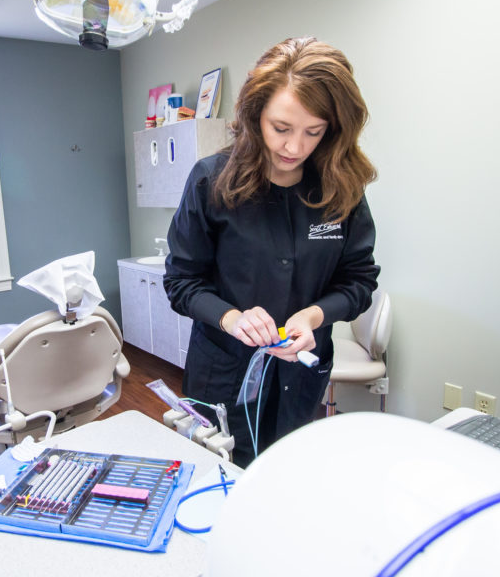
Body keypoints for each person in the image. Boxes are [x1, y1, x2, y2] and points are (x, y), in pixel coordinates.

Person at [163, 37, 380, 467]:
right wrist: (232, 318)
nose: (295, 147)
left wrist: (313, 317)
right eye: (281, 128)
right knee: (221, 479)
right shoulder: (211, 181)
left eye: (313, 132)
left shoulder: (342, 188)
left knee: (286, 473)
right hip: (223, 374)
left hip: (301, 373)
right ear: (255, 114)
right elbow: (181, 283)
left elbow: (359, 282)